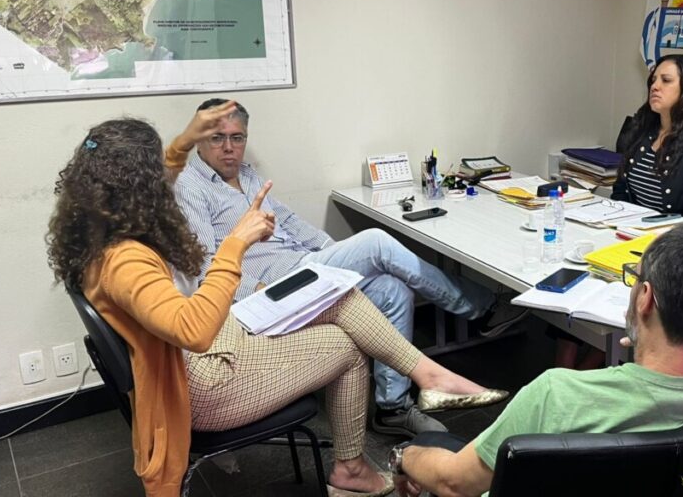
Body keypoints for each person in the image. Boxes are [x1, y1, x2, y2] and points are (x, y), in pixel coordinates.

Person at [47, 108, 508, 497]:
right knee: (350, 345)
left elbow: (170, 174)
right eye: (156, 175)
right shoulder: (125, 259)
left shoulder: (100, 230)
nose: (168, 181)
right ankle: (359, 460)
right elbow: (193, 330)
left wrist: (185, 140)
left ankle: (427, 379)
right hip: (200, 382)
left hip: (207, 353)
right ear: (140, 185)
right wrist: (236, 244)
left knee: (340, 297)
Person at [173, 98, 527, 438]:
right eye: (217, 138)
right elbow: (204, 267)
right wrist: (260, 291)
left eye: (237, 138)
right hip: (270, 290)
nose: (229, 148)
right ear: (199, 140)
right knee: (375, 242)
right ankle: (484, 310)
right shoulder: (190, 186)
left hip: (303, 267)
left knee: (392, 289)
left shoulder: (248, 176)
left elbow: (291, 223)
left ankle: (393, 408)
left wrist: (338, 257)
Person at [388, 222, 683, 497]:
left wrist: (404, 456)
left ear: (645, 299)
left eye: (633, 278)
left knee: (430, 442)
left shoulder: (557, 394)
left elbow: (454, 484)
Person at [611, 54, 683, 226]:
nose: (655, 86)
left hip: (675, 238)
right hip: (630, 231)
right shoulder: (642, 129)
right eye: (653, 80)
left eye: (666, 80)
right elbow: (621, 191)